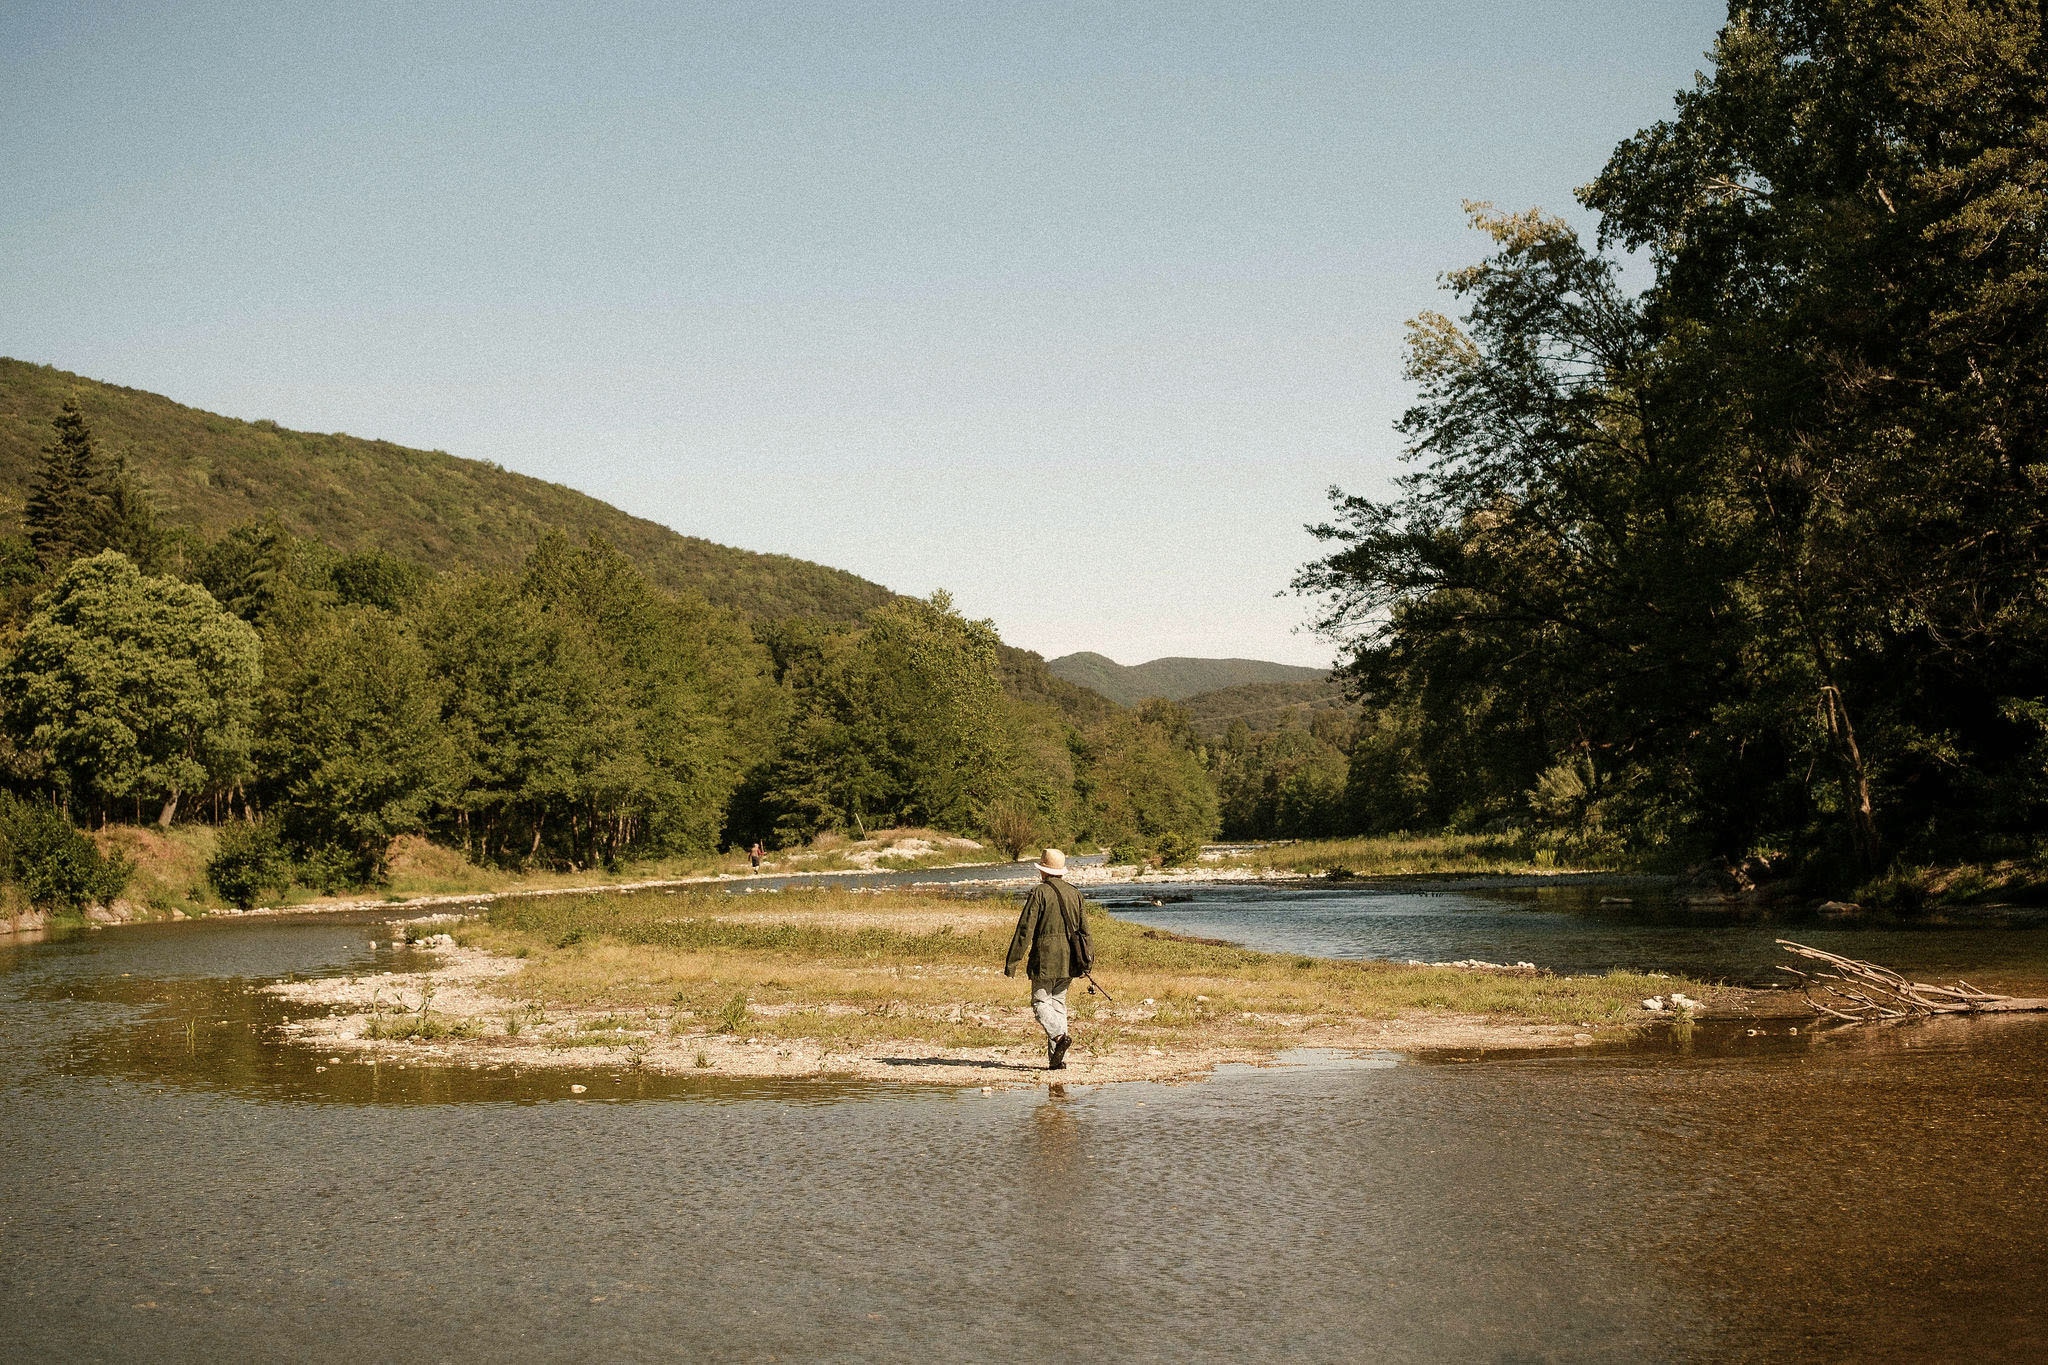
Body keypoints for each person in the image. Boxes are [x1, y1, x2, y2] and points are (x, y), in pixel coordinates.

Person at [1004, 847, 1092, 1070]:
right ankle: (1056, 1061)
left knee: (1040, 1002)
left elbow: (1025, 930)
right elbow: (1085, 931)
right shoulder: (1075, 893)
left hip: (1045, 958)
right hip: (1071, 959)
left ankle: (1059, 1037)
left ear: (1042, 871)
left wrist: (1012, 962)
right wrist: (1087, 963)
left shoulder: (1039, 893)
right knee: (1059, 1004)